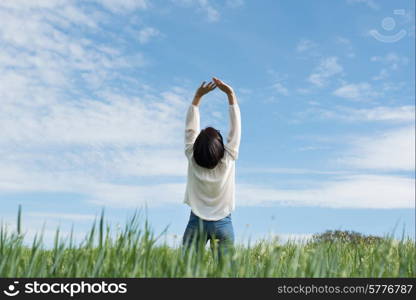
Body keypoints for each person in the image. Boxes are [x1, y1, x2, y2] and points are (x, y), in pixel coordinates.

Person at [182, 77, 241, 261]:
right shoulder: (228, 158)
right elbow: (235, 129)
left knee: (188, 273)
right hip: (222, 223)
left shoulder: (192, 155)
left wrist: (197, 98)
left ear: (197, 146)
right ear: (220, 147)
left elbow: (190, 130)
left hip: (196, 222)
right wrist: (230, 95)